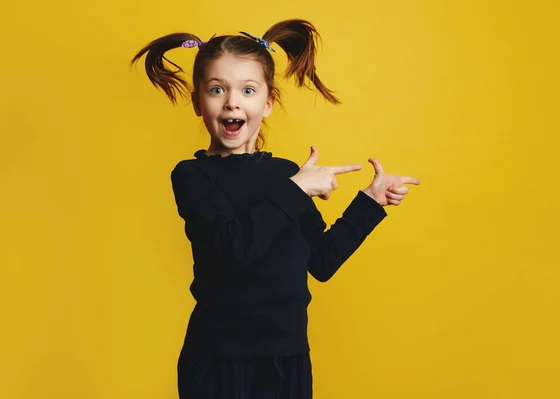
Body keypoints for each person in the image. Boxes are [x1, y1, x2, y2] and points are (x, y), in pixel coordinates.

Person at [131, 18, 420, 399]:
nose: (232, 101)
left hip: (287, 360)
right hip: (218, 359)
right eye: (217, 89)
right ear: (199, 103)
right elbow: (232, 251)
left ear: (267, 104)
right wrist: (297, 188)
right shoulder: (193, 176)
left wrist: (370, 202)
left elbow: (322, 262)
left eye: (247, 90)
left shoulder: (285, 175)